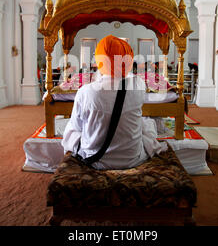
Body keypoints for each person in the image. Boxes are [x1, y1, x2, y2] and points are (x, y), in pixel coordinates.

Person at [62, 35, 167, 170]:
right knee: (147, 123)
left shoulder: (85, 91)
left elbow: (77, 126)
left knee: (72, 127)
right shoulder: (138, 84)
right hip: (133, 159)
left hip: (95, 161)